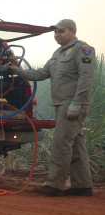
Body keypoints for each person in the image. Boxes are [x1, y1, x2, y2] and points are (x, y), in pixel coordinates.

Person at [9, 19, 97, 196]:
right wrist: (17, 70)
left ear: (73, 32)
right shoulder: (58, 53)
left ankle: (54, 185)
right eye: (55, 32)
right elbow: (41, 73)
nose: (57, 35)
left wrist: (77, 102)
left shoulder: (83, 49)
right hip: (62, 104)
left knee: (60, 143)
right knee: (75, 145)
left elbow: (87, 77)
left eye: (61, 31)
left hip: (72, 104)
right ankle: (82, 186)